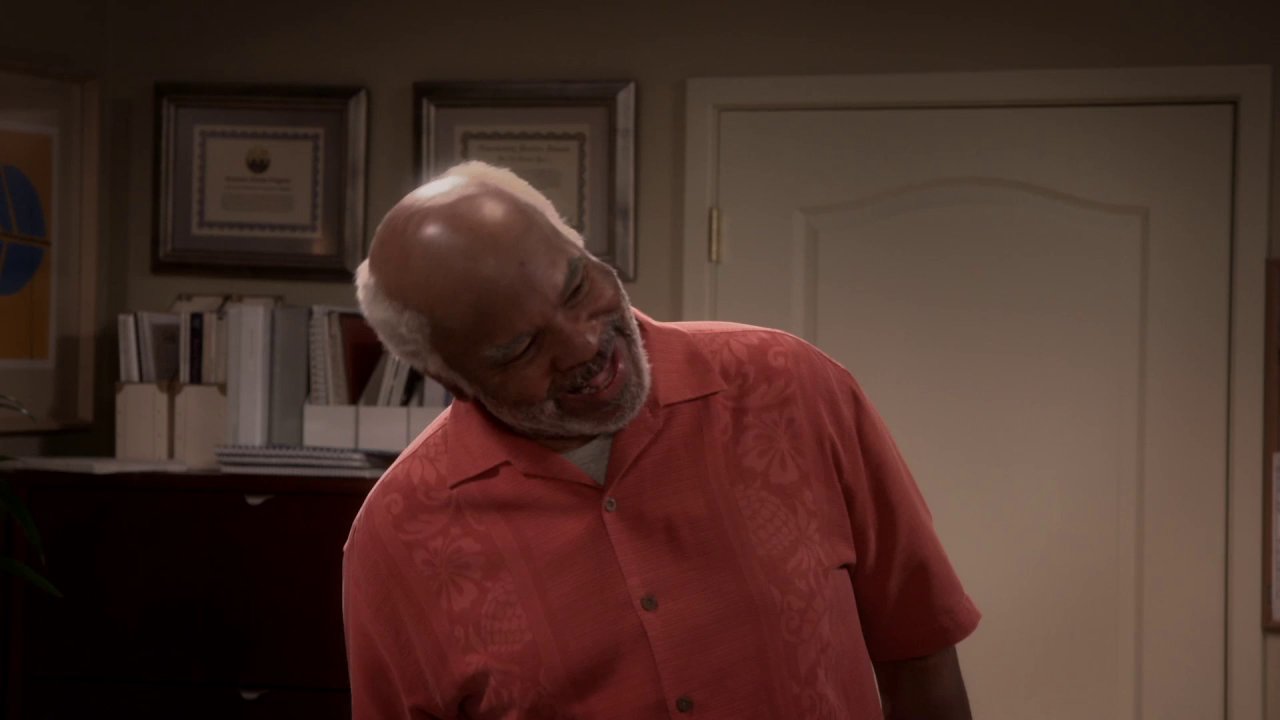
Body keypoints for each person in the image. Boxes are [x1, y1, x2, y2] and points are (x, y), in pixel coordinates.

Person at [344, 160, 981, 720]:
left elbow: (920, 649)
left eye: (576, 288)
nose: (583, 345)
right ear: (448, 378)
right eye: (522, 347)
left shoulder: (791, 386)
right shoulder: (398, 535)